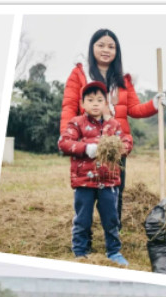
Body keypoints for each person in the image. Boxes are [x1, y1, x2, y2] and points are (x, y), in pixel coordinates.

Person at [60, 28, 164, 225]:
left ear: (117, 51)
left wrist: (154, 104)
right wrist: (67, 137)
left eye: (111, 46)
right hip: (88, 144)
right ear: (92, 48)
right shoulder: (80, 74)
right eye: (100, 45)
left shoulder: (123, 78)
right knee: (87, 190)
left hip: (115, 144)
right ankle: (84, 233)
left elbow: (133, 108)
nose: (106, 50)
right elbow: (69, 106)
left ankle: (113, 233)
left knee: (115, 189)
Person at [58, 81, 131, 265]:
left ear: (106, 103)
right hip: (84, 182)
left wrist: (120, 149)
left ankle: (113, 251)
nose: (96, 104)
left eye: (100, 100)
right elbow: (64, 143)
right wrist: (86, 148)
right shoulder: (76, 123)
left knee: (111, 217)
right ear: (82, 103)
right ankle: (80, 251)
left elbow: (127, 141)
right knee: (82, 218)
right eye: (90, 100)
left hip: (109, 181)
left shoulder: (113, 125)